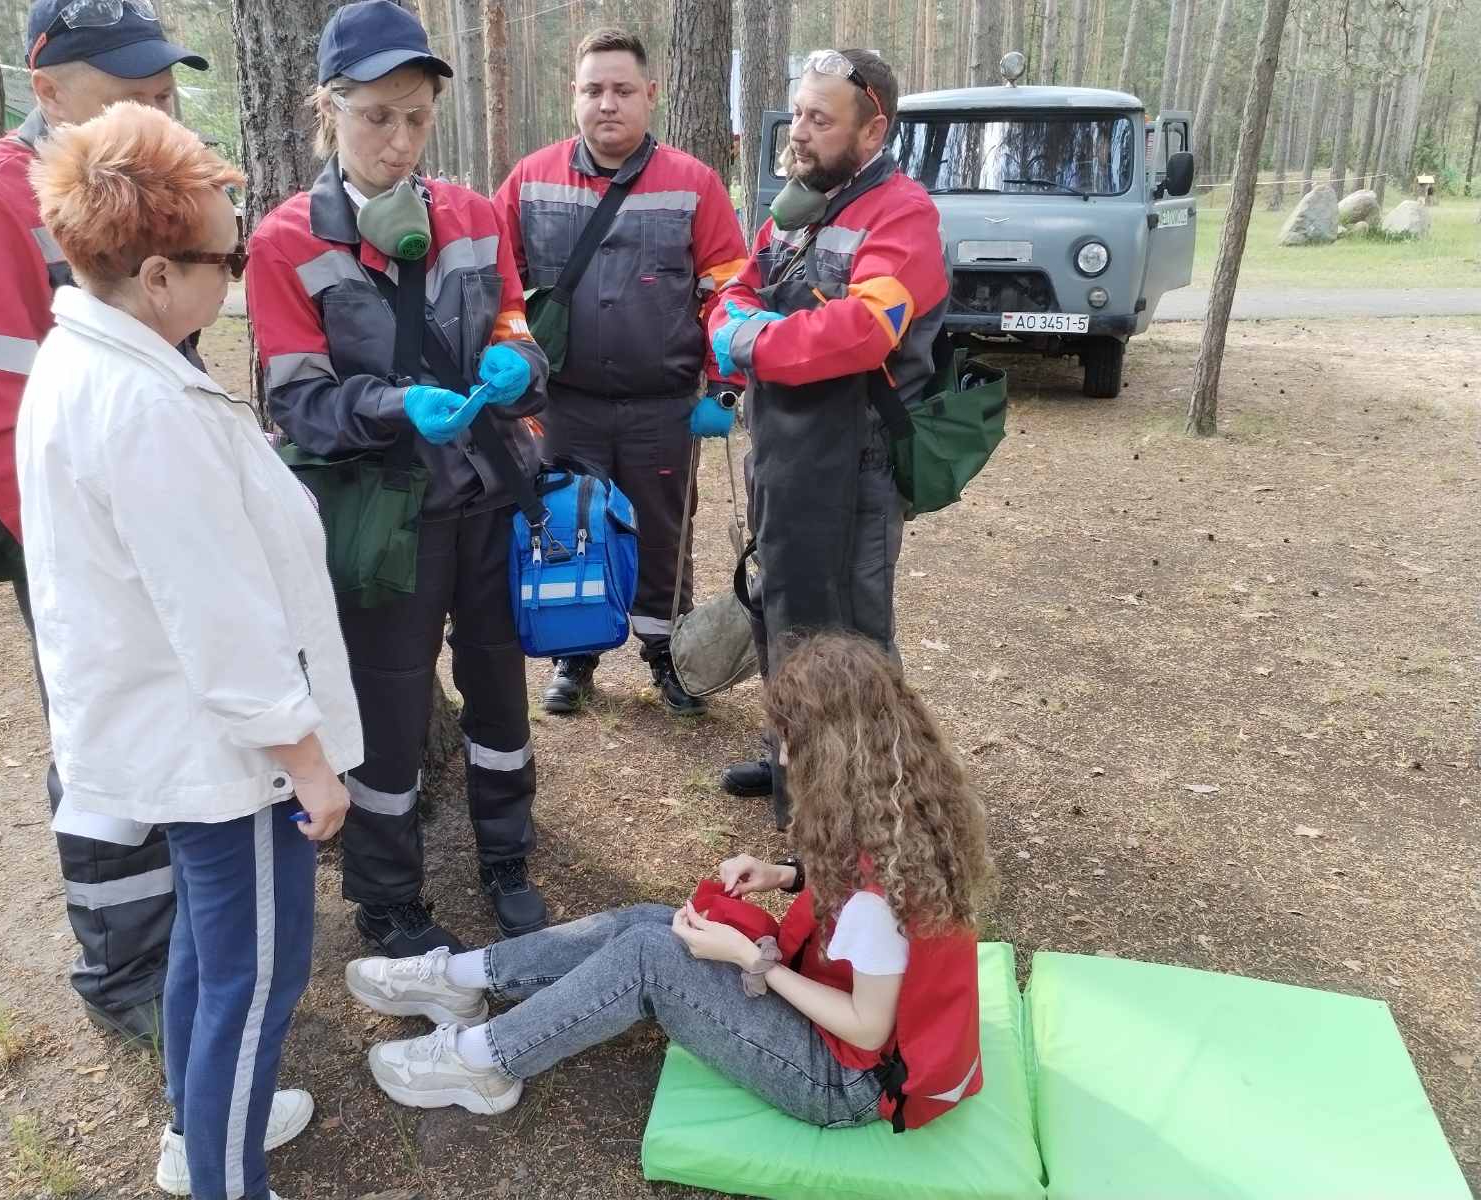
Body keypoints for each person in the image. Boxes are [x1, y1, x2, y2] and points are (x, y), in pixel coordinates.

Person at [19, 102, 360, 1200]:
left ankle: (196, 1133)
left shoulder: (96, 358)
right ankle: (225, 1177)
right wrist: (304, 759)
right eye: (228, 258)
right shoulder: (143, 405)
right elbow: (219, 618)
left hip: (180, 731)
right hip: (228, 756)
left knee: (209, 958)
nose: (239, 274)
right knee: (254, 981)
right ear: (159, 274)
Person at [344, 633, 995, 1129]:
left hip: (848, 1082)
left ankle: (481, 1061)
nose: (783, 756)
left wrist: (752, 961)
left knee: (651, 956)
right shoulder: (899, 803)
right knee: (649, 923)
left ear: (834, 753)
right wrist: (784, 873)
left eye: (792, 742)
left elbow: (867, 1028)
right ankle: (461, 980)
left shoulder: (877, 899)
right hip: (850, 1037)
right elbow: (863, 895)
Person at [0, 0, 210, 1045]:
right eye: (130, 96)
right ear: (46, 89)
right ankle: (125, 971)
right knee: (106, 747)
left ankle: (180, 935)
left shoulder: (144, 183)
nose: (156, 117)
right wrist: (99, 559)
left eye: (165, 96)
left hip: (165, 533)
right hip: (88, 551)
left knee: (174, 730)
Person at [246, 0, 551, 958]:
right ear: (328, 109)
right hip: (383, 521)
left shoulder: (473, 216)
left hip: (486, 496)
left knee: (500, 688)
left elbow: (516, 324)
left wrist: (519, 363)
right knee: (386, 707)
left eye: (417, 118)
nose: (400, 140)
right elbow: (298, 402)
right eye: (378, 116)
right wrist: (392, 405)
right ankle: (386, 898)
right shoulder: (286, 242)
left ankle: (508, 856)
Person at [708, 50, 949, 827]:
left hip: (854, 467)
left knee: (849, 642)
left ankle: (863, 817)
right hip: (782, 454)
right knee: (780, 612)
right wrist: (736, 324)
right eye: (798, 114)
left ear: (872, 130)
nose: (800, 132)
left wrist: (752, 339)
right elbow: (734, 291)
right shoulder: (800, 205)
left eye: (821, 119)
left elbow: (864, 331)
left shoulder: (901, 215)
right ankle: (793, 759)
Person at [493, 27, 749, 717]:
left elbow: (730, 291)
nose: (608, 104)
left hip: (662, 406)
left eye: (623, 90)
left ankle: (668, 653)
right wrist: (506, 359)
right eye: (594, 90)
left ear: (650, 95)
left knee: (663, 533)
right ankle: (574, 653)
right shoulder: (530, 180)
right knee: (567, 524)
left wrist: (726, 386)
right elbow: (496, 280)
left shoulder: (694, 184)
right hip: (563, 404)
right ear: (573, 96)